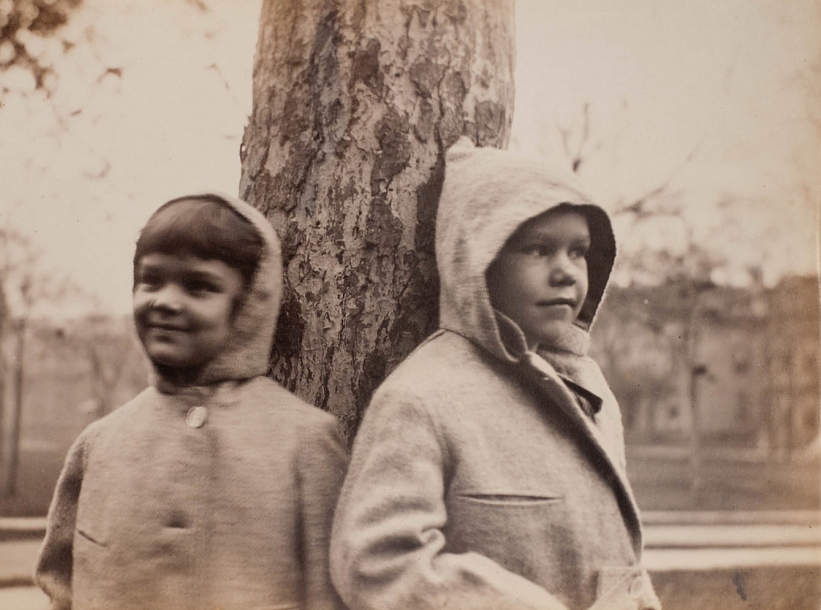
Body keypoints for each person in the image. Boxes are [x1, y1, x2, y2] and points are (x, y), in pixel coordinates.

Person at [329, 139, 661, 610]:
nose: (567, 271)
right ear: (479, 258)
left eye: (579, 251)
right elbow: (377, 561)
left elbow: (617, 556)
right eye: (539, 249)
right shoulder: (423, 396)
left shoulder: (589, 386)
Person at [35, 193, 349, 610]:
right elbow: (62, 588)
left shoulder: (306, 442)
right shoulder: (99, 444)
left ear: (248, 306)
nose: (165, 301)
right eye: (151, 280)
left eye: (199, 286)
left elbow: (331, 597)